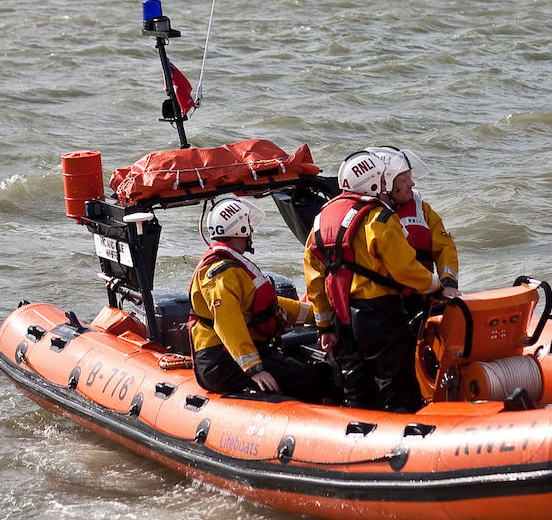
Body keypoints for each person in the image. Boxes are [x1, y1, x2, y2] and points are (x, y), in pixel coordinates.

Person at [303, 150, 442, 413]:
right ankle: (401, 440)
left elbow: (314, 280)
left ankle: (357, 438)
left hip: (342, 320)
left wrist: (324, 327)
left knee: (356, 385)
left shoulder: (321, 220)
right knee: (396, 383)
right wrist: (435, 287)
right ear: (375, 182)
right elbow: (405, 268)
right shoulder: (379, 218)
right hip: (379, 315)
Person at [189, 197, 333, 402]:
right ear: (239, 228)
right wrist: (254, 369)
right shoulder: (221, 273)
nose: (251, 231)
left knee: (312, 370)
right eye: (248, 226)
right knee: (310, 378)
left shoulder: (233, 268)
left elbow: (269, 306)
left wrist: (315, 315)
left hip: (234, 355)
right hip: (220, 361)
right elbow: (228, 323)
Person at [367, 146, 459, 322]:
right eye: (405, 179)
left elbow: (445, 247)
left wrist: (448, 284)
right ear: (386, 184)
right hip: (380, 305)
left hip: (423, 298)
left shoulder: (422, 210)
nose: (412, 184)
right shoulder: (365, 215)